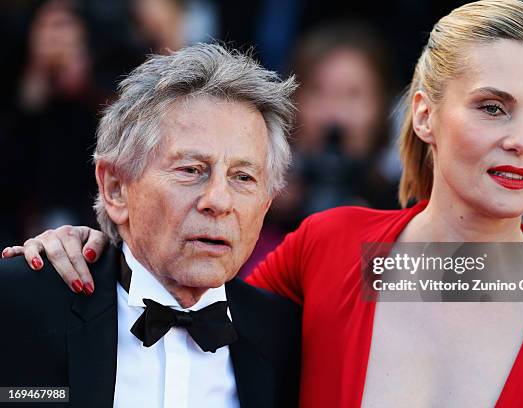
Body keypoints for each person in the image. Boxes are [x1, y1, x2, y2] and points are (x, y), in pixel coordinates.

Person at [4, 1, 523, 407]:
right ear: (424, 113)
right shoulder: (334, 246)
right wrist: (96, 243)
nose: (521, 140)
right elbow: (184, 290)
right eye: (492, 106)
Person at [0, 43, 301, 408]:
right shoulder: (17, 304)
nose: (219, 202)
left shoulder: (291, 340)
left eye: (243, 177)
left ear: (266, 205)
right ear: (116, 188)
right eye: (191, 170)